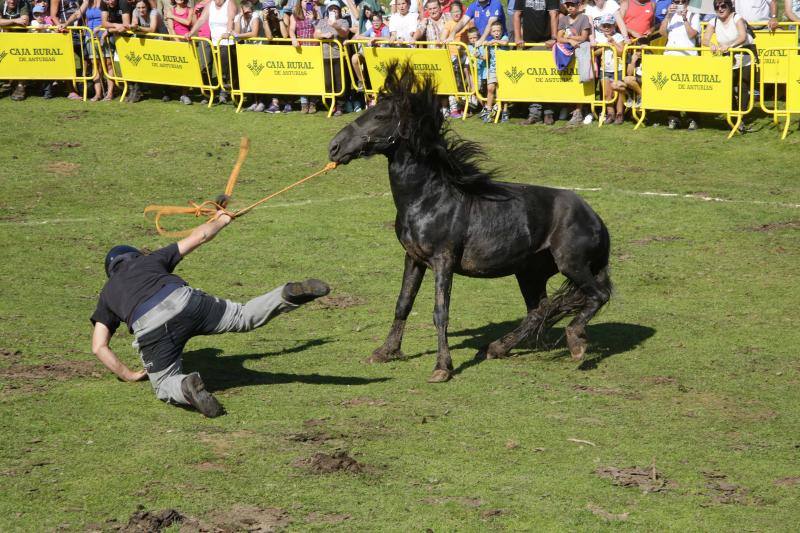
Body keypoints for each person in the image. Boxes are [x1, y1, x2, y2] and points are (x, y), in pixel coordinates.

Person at [90, 212, 331, 417]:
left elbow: (99, 346)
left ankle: (185, 386)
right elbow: (200, 236)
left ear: (111, 272)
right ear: (135, 256)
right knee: (243, 316)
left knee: (163, 384)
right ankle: (285, 294)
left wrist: (129, 374)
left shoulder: (107, 293)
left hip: (151, 326)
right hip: (186, 301)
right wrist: (221, 219)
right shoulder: (151, 260)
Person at [701, 0, 753, 129]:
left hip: (744, 55)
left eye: (723, 6)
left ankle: (741, 117)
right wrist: (711, 44)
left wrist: (730, 46)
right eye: (717, 7)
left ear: (729, 6)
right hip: (728, 58)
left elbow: (742, 36)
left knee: (743, 87)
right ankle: (735, 118)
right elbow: (704, 38)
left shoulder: (737, 18)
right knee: (727, 88)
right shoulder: (713, 21)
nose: (720, 9)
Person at [514, 0, 559, 124]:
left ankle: (548, 113)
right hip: (528, 44)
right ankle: (534, 113)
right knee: (532, 80)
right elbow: (517, 14)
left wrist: (554, 37)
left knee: (547, 79)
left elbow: (554, 14)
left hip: (546, 44)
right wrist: (518, 37)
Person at [187, 0, 238, 104]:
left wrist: (228, 32)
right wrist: (191, 33)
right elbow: (201, 20)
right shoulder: (210, 5)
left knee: (228, 71)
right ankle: (222, 93)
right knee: (219, 69)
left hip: (228, 43)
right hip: (215, 42)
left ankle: (230, 94)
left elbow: (231, 19)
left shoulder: (230, 3)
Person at [660, 0, 700, 130]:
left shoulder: (694, 14)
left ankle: (692, 119)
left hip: (688, 56)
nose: (679, 3)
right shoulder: (670, 15)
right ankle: (673, 118)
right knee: (671, 90)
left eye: (682, 1)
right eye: (676, 1)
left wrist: (684, 18)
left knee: (689, 90)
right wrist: (667, 16)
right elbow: (662, 33)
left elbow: (693, 34)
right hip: (670, 55)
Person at [556, 0, 591, 125]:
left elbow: (583, 37)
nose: (570, 7)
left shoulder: (584, 18)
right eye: (568, 5)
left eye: (573, 5)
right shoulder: (564, 19)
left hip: (581, 51)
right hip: (568, 50)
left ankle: (580, 110)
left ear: (579, 6)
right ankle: (568, 108)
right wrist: (570, 41)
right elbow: (558, 37)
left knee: (582, 80)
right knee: (567, 80)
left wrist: (567, 39)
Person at [314, 0, 350, 114]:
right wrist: (324, 35)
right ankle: (331, 104)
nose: (333, 10)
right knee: (328, 82)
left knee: (340, 83)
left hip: (338, 55)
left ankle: (340, 106)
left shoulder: (343, 21)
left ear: (339, 10)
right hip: (325, 56)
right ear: (327, 10)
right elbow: (316, 35)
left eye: (335, 8)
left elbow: (345, 33)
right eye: (331, 9)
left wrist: (335, 26)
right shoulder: (322, 22)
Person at [593, 14, 625, 124]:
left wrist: (613, 43)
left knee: (619, 91)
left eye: (609, 25)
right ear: (601, 26)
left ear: (614, 26)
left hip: (618, 69)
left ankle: (619, 114)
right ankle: (610, 114)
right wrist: (604, 47)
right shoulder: (599, 38)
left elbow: (621, 52)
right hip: (605, 69)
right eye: (604, 25)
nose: (607, 28)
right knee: (607, 94)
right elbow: (595, 53)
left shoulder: (619, 37)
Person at [289, 0, 319, 113]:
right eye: (305, 0)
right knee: (302, 76)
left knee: (314, 77)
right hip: (301, 49)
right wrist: (293, 38)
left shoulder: (316, 12)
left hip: (314, 47)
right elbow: (291, 30)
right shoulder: (295, 14)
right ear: (300, 2)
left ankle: (313, 103)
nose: (307, 2)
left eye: (309, 1)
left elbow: (319, 27)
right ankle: (303, 103)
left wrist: (314, 18)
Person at [164, 0, 195, 104]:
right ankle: (168, 93)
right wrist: (178, 42)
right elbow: (171, 29)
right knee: (173, 68)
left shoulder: (190, 10)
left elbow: (188, 22)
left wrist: (172, 16)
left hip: (188, 42)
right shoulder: (170, 10)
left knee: (186, 69)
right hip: (175, 42)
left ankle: (185, 94)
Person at [1, 0, 31, 101]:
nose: (12, 1)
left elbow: (24, 21)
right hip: (4, 38)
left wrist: (5, 23)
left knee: (22, 62)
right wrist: (14, 21)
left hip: (21, 39)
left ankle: (20, 86)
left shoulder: (23, 4)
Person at [483, 19, 508, 122]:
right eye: (494, 31)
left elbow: (505, 43)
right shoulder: (490, 42)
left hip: (504, 69)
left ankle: (505, 111)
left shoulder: (504, 38)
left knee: (504, 91)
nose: (496, 33)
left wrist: (495, 42)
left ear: (501, 31)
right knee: (490, 88)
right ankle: (488, 110)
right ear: (490, 32)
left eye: (498, 31)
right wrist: (484, 47)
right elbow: (486, 57)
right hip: (493, 69)